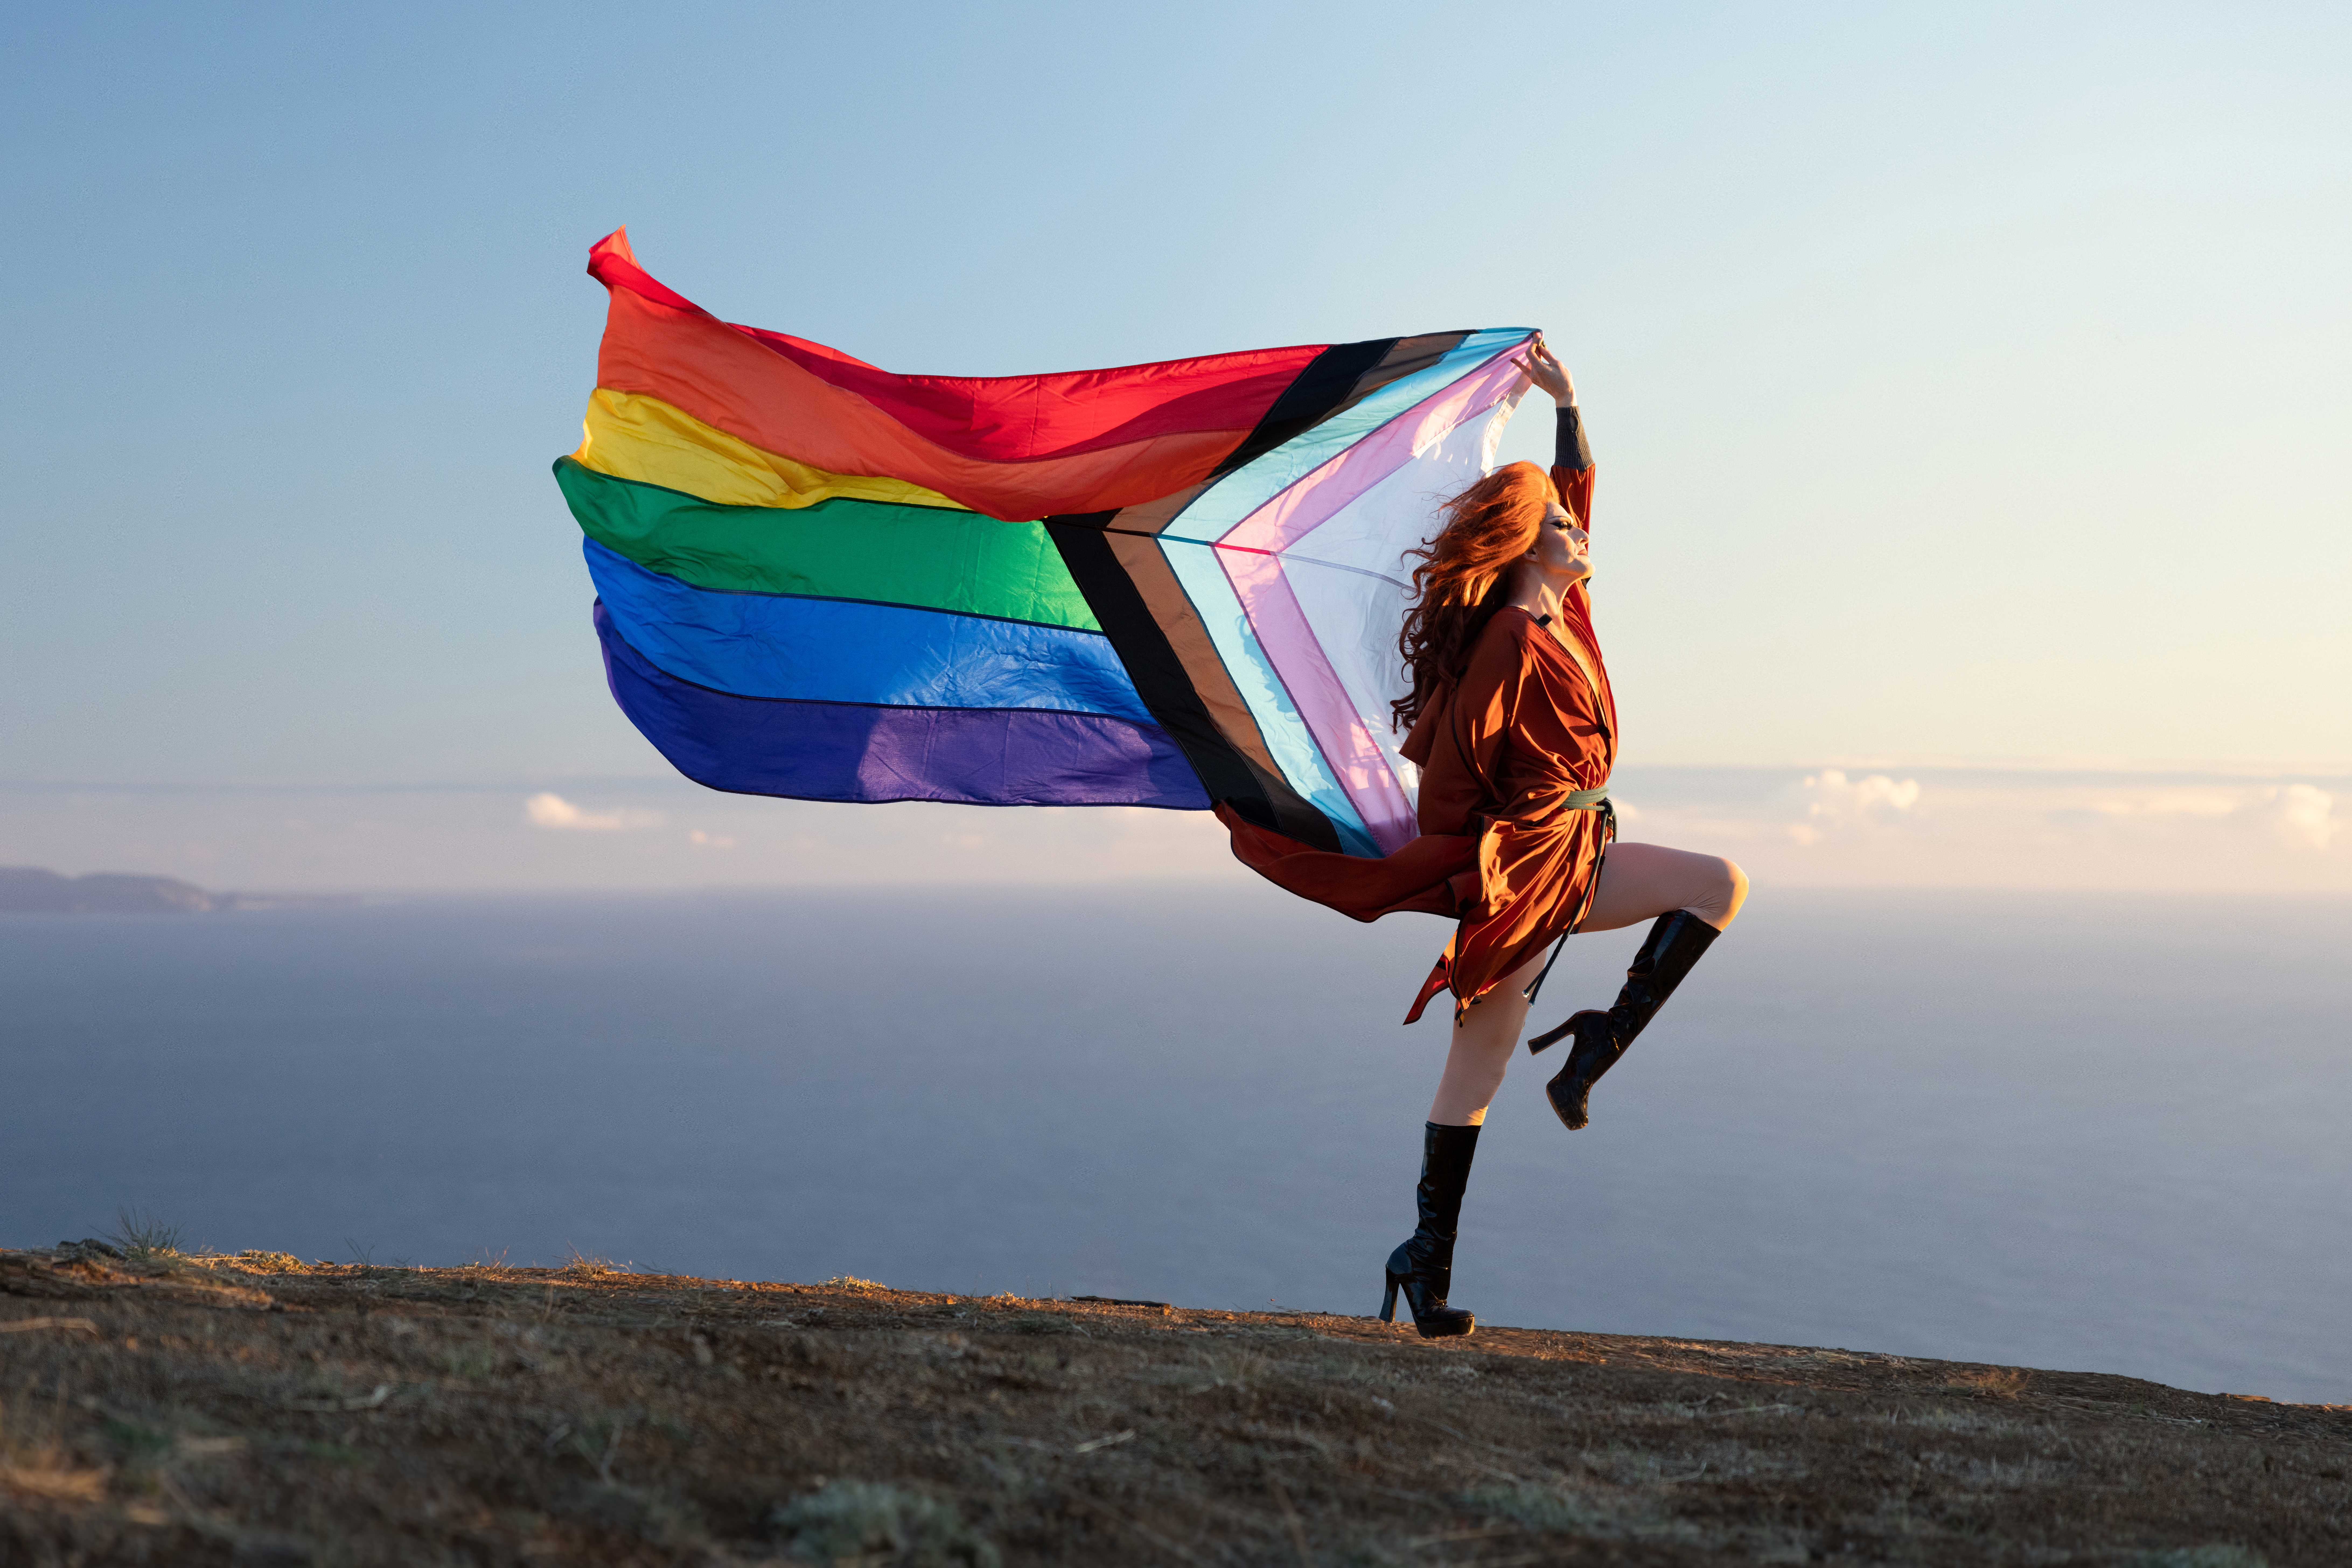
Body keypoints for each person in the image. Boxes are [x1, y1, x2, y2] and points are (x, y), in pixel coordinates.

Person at [1218, 338, 1748, 1338]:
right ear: (1529, 545)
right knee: (1481, 1067)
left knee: (1716, 886)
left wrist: (1569, 409)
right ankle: (1424, 1269)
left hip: (1576, 849)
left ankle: (1594, 1043)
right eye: (1557, 526)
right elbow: (1459, 765)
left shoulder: (1562, 613)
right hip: (1527, 865)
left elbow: (1579, 505)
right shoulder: (1511, 634)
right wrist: (1473, 869)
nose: (1577, 533)